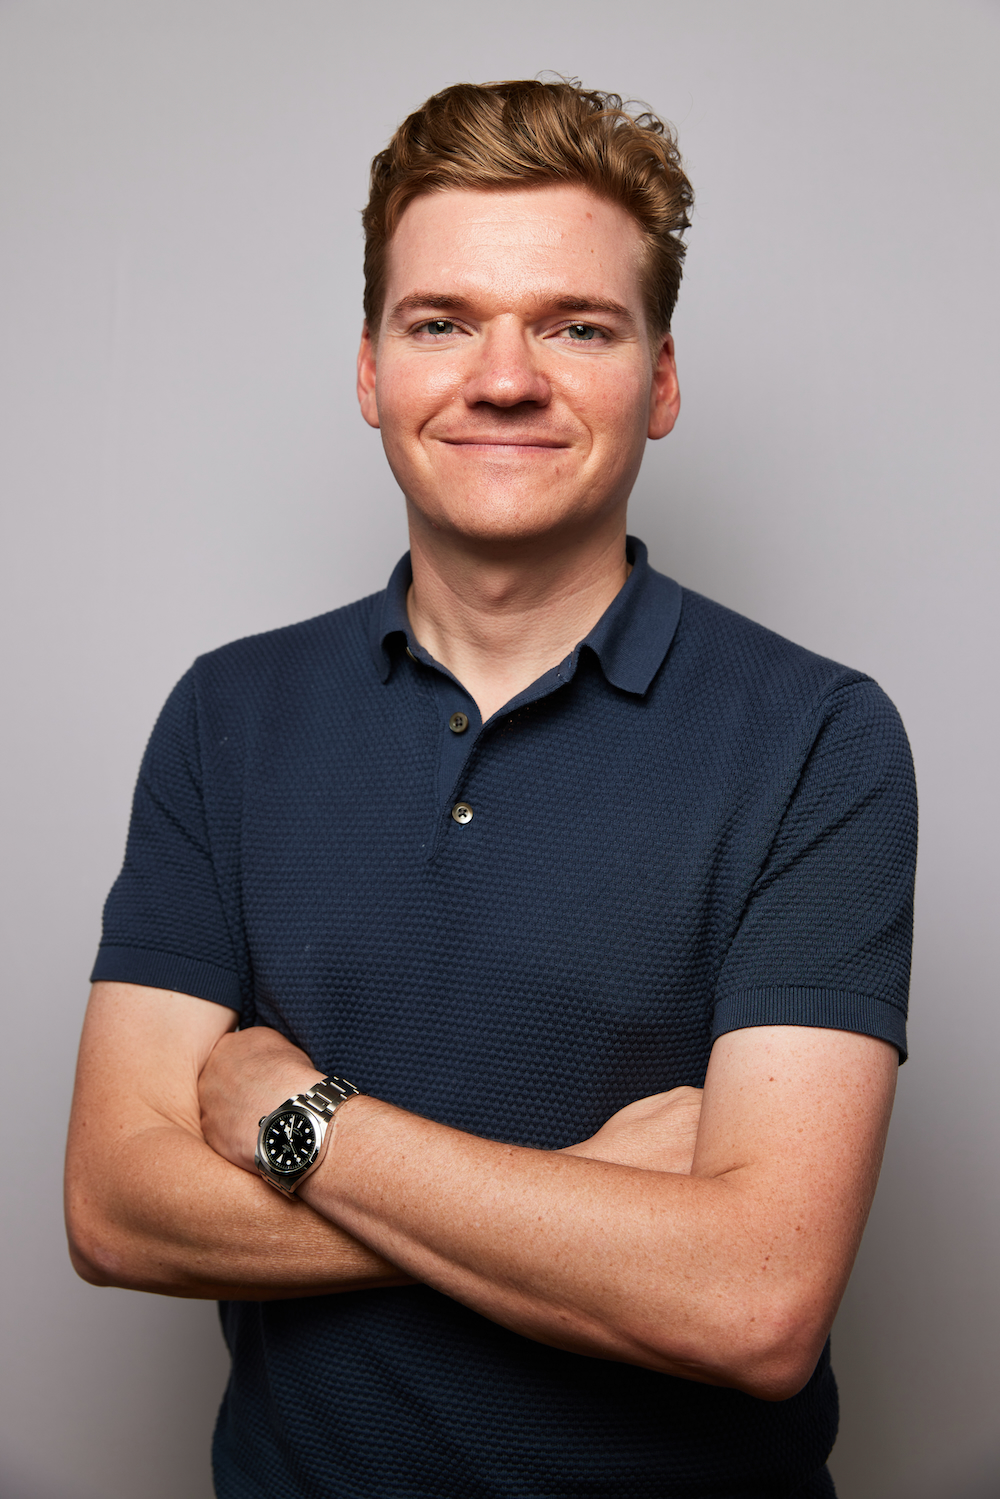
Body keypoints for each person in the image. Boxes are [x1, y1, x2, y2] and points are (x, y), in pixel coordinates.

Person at [65, 79, 917, 1499]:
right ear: (369, 371)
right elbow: (111, 1211)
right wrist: (597, 1196)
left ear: (658, 378)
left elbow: (754, 1306)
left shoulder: (818, 738)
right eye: (441, 321)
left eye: (575, 326)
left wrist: (304, 1124)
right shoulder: (229, 715)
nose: (504, 376)